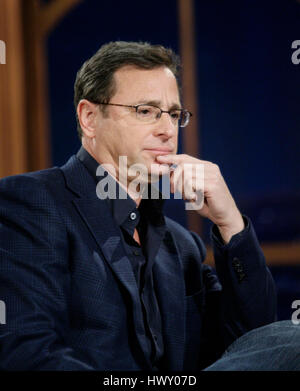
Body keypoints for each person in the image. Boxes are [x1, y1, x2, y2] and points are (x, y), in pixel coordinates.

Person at [0, 41, 276, 371]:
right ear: (89, 118)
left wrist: (230, 222)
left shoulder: (181, 246)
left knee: (290, 340)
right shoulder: (31, 203)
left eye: (174, 114)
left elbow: (257, 344)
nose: (166, 130)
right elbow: (26, 354)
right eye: (145, 111)